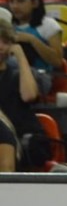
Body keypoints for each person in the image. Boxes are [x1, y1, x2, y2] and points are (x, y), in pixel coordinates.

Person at [0, 19, 43, 172]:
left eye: (5, 42)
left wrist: (20, 56)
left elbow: (29, 95)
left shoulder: (17, 75)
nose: (0, 46)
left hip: (18, 138)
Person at [8, 0, 63, 95]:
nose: (14, 6)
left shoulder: (48, 25)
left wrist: (32, 40)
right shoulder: (8, 25)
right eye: (12, 1)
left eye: (20, 1)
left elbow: (57, 61)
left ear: (35, 3)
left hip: (40, 77)